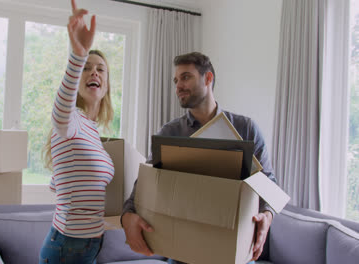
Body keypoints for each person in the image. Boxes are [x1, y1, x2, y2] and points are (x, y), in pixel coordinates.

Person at [121, 52, 277, 263]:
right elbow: (146, 183)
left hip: (232, 251)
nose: (178, 86)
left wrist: (267, 215)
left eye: (186, 77)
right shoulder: (170, 133)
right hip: (183, 253)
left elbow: (269, 185)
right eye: (176, 80)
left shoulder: (246, 129)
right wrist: (127, 215)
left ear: (208, 79)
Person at [38, 0, 114, 263]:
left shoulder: (93, 131)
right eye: (87, 68)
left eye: (100, 69)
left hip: (90, 246)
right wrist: (77, 56)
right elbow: (60, 111)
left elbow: (62, 182)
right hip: (66, 248)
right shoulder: (70, 119)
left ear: (106, 87)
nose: (94, 72)